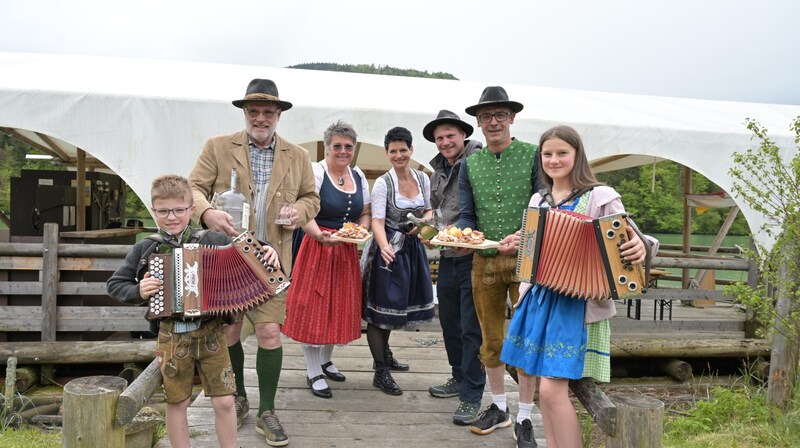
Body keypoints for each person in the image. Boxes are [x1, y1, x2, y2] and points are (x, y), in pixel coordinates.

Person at [500, 125, 655, 448]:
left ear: (577, 156)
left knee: (551, 391)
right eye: (547, 154)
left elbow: (635, 236)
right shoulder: (538, 199)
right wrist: (520, 241)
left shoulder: (601, 196)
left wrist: (640, 246)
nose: (554, 160)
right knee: (545, 391)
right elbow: (535, 250)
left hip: (576, 305)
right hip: (539, 298)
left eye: (562, 153)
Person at [188, 78, 320, 447]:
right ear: (245, 114)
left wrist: (299, 211)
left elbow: (313, 198)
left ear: (278, 115)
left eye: (267, 112)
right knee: (229, 331)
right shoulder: (217, 147)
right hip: (227, 257)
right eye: (253, 111)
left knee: (269, 332)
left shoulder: (298, 155)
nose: (260, 118)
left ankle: (268, 410)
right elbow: (193, 188)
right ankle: (241, 396)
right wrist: (208, 212)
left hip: (272, 256)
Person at [106, 175, 279, 448]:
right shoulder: (146, 247)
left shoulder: (210, 238)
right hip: (171, 337)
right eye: (163, 211)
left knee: (224, 401)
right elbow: (115, 284)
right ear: (154, 211)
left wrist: (269, 251)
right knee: (178, 402)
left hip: (212, 334)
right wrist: (139, 291)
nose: (171, 217)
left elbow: (248, 248)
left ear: (190, 210)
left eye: (178, 210)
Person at [455, 86, 541, 445]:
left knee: (525, 339)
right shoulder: (469, 163)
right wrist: (461, 234)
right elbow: (466, 214)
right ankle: (499, 406)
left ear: (512, 118)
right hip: (485, 261)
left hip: (527, 261)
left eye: (500, 115)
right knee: (490, 339)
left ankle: (524, 416)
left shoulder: (534, 155)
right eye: (486, 116)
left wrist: (524, 234)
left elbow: (544, 204)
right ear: (478, 122)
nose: (493, 122)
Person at [282, 120, 371, 399]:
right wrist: (319, 235)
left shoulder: (358, 175)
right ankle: (312, 370)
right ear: (327, 146)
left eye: (348, 146)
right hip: (316, 245)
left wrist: (362, 230)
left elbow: (364, 212)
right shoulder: (316, 171)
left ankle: (325, 360)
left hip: (344, 248)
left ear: (354, 149)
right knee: (313, 306)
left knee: (339, 305)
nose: (343, 151)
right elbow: (302, 210)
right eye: (337, 146)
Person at [422, 110, 486, 425]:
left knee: (470, 327)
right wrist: (427, 225)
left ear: (463, 135)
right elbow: (438, 211)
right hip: (448, 254)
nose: (445, 142)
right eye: (439, 138)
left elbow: (480, 207)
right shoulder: (438, 169)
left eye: (450, 135)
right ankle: (458, 376)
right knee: (448, 321)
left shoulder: (479, 160)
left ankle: (472, 394)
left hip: (475, 255)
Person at [361, 126, 435, 395]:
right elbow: (377, 222)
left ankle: (386, 354)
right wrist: (383, 248)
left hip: (413, 249)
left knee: (396, 307)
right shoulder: (383, 183)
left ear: (411, 150)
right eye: (393, 151)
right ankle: (380, 370)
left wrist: (422, 224)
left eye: (403, 150)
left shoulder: (422, 179)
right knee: (381, 310)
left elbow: (429, 211)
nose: (399, 155)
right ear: (387, 153)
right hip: (389, 250)